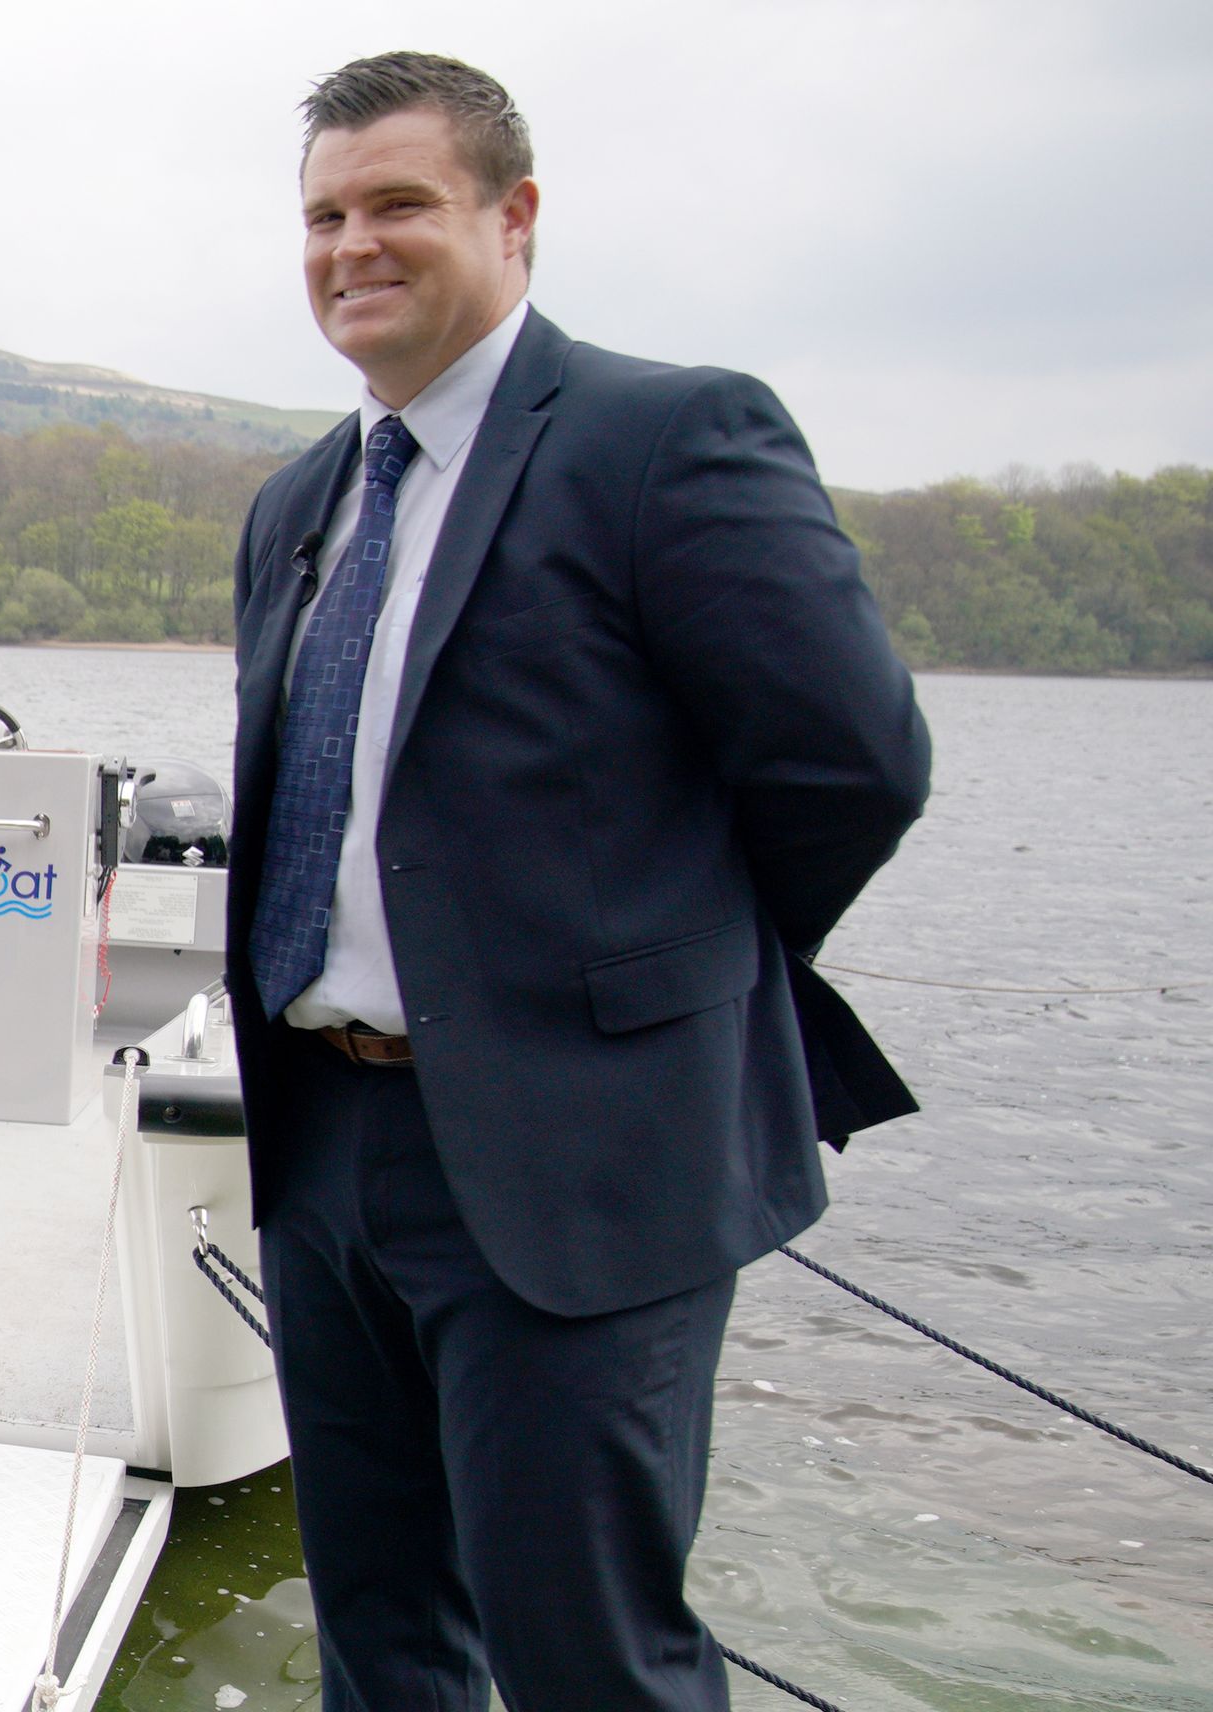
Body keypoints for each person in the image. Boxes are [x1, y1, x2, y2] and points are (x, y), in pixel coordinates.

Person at [222, 52, 931, 1710]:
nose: (352, 247)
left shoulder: (664, 438)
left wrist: (650, 979)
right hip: (325, 1147)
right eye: (324, 216)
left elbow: (854, 765)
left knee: (587, 1657)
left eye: (399, 204)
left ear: (513, 215)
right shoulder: (299, 502)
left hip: (577, 1157)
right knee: (382, 1638)